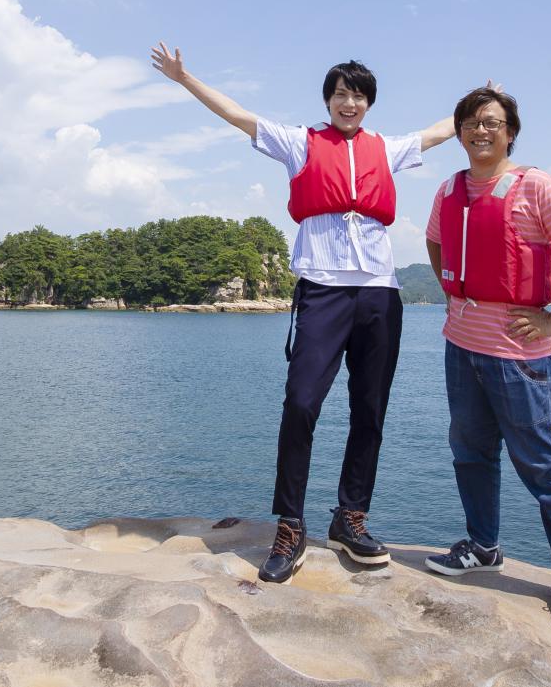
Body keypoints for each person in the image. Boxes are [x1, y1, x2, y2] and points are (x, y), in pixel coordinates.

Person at [150, 43, 455, 583]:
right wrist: (184, 78)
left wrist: (482, 103)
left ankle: (350, 519)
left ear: (369, 104)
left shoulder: (388, 148)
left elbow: (440, 130)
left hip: (380, 291)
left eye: (359, 96)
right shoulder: (300, 143)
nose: (350, 103)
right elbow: (237, 114)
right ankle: (290, 525)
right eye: (342, 94)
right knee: (301, 401)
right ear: (328, 99)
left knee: (371, 409)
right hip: (323, 288)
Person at [421, 85, 551, 630]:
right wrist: (454, 293)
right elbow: (435, 244)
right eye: (472, 123)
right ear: (459, 133)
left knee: (545, 466)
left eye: (492, 122)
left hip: (519, 357)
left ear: (510, 132)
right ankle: (483, 546)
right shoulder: (449, 189)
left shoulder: (536, 186)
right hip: (462, 345)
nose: (481, 130)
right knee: (471, 453)